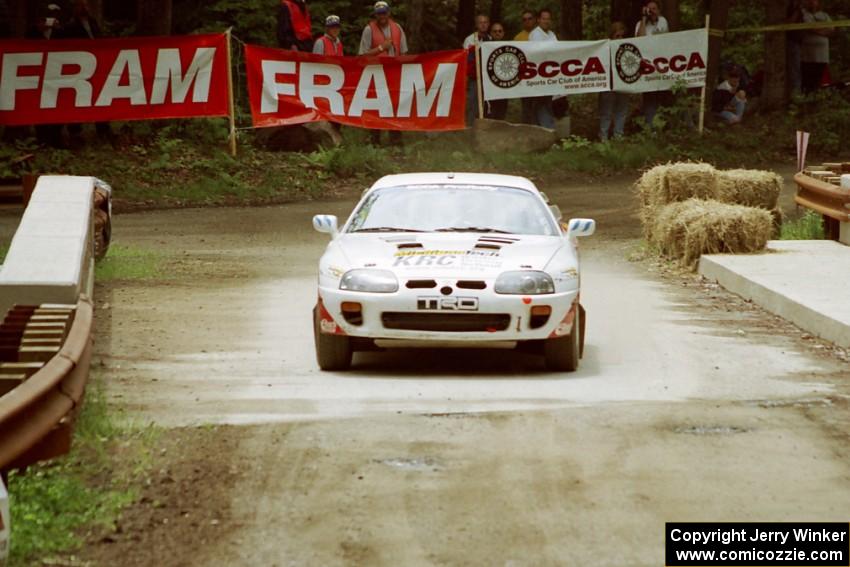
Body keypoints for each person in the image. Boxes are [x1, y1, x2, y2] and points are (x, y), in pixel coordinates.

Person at [61, 0, 113, 146]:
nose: (84, 8)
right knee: (76, 100)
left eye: (85, 5)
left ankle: (103, 128)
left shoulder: (93, 22)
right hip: (79, 68)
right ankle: (75, 132)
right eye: (80, 5)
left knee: (100, 97)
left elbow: (100, 39)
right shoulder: (70, 27)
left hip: (95, 66)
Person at [358, 2, 407, 146]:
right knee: (376, 109)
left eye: (384, 13)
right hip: (376, 76)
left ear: (389, 13)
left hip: (394, 76)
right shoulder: (369, 30)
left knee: (395, 108)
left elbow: (404, 53)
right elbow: (362, 56)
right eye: (379, 13)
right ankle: (374, 143)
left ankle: (396, 143)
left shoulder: (397, 28)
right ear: (375, 15)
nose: (382, 16)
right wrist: (380, 48)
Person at [635, 1, 668, 128]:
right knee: (649, 96)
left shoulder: (663, 21)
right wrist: (644, 19)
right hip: (647, 64)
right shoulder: (640, 24)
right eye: (649, 9)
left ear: (658, 10)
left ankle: (660, 124)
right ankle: (649, 125)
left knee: (661, 95)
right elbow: (639, 40)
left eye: (654, 9)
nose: (652, 11)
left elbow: (665, 38)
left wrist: (654, 19)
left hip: (661, 63)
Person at [598, 22, 630, 141]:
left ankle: (618, 136)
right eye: (617, 36)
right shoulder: (604, 48)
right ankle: (603, 137)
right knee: (606, 112)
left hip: (623, 83)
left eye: (622, 36)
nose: (620, 38)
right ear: (611, 35)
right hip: (608, 84)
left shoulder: (627, 47)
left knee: (621, 111)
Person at [528, 9, 557, 129]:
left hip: (551, 73)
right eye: (544, 18)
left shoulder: (552, 34)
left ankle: (547, 129)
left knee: (548, 104)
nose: (546, 21)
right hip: (539, 74)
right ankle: (546, 130)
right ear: (538, 20)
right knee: (541, 104)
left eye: (548, 19)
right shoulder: (535, 34)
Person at [800, 0, 833, 94]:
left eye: (814, 1)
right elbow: (811, 28)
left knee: (819, 77)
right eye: (809, 1)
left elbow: (832, 29)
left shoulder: (825, 15)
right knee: (807, 77)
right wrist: (822, 30)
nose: (811, 2)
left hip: (822, 54)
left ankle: (815, 97)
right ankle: (806, 97)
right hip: (808, 54)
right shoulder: (804, 14)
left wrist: (820, 30)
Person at [464, 14, 491, 126]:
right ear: (476, 24)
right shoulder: (470, 39)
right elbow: (466, 59)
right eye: (481, 22)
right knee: (473, 104)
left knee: (487, 104)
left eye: (485, 22)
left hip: (489, 78)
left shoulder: (491, 39)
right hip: (475, 78)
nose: (483, 24)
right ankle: (470, 128)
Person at [514, 9, 537, 124]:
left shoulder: (542, 34)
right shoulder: (518, 38)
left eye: (530, 18)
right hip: (526, 76)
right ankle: (526, 128)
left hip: (540, 75)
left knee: (540, 105)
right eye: (524, 19)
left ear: (535, 20)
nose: (527, 21)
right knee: (526, 105)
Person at [486, 22, 509, 120]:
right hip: (490, 85)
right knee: (490, 112)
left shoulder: (509, 47)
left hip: (504, 86)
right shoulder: (485, 47)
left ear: (503, 33)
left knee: (501, 112)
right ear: (490, 33)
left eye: (500, 31)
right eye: (494, 31)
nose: (497, 33)